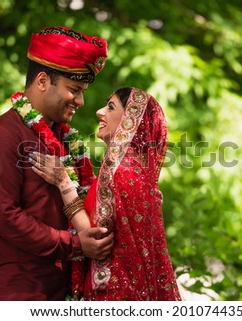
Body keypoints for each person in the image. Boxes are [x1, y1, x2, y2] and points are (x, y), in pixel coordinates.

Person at [0, 26, 114, 300]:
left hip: (61, 292)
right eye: (74, 89)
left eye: (83, 91)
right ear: (41, 81)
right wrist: (74, 245)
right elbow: (6, 218)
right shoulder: (1, 137)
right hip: (15, 293)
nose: (81, 101)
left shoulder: (64, 138)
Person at [29, 87, 182, 300]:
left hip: (113, 292)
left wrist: (63, 181)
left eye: (110, 107)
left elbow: (96, 237)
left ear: (130, 120)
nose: (100, 112)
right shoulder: (136, 171)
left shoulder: (119, 171)